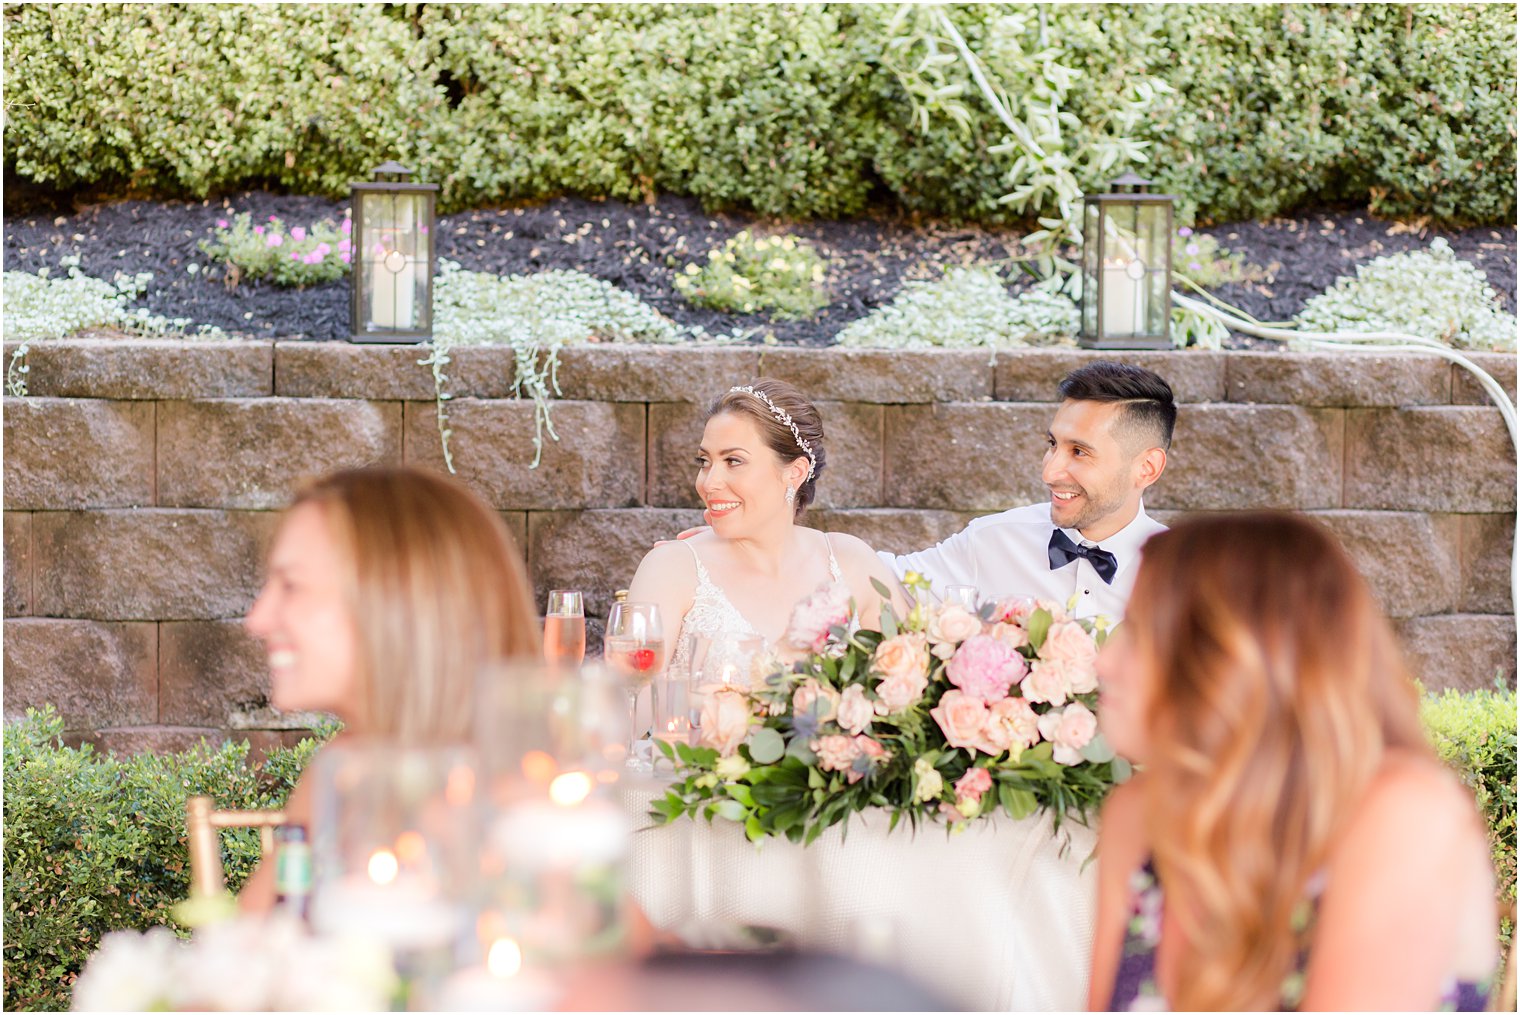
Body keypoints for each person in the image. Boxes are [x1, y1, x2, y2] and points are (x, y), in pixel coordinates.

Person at [1088, 512, 1499, 1011]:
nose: (1102, 662)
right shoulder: (1137, 817)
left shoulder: (1399, 813)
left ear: (1230, 660)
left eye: (1137, 632)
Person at [238, 466, 541, 910]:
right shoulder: (341, 769)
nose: (257, 620)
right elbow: (253, 949)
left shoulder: (517, 808)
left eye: (291, 586)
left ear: (394, 601)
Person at [628, 380, 906, 672]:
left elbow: (909, 687)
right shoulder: (670, 568)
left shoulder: (852, 561)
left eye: (733, 461)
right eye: (704, 461)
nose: (709, 483)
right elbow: (634, 705)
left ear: (794, 472)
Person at [885, 361, 1174, 619]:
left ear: (1147, 468)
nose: (1049, 473)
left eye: (1079, 452)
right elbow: (883, 582)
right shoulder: (992, 541)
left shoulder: (1189, 578)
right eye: (1052, 444)